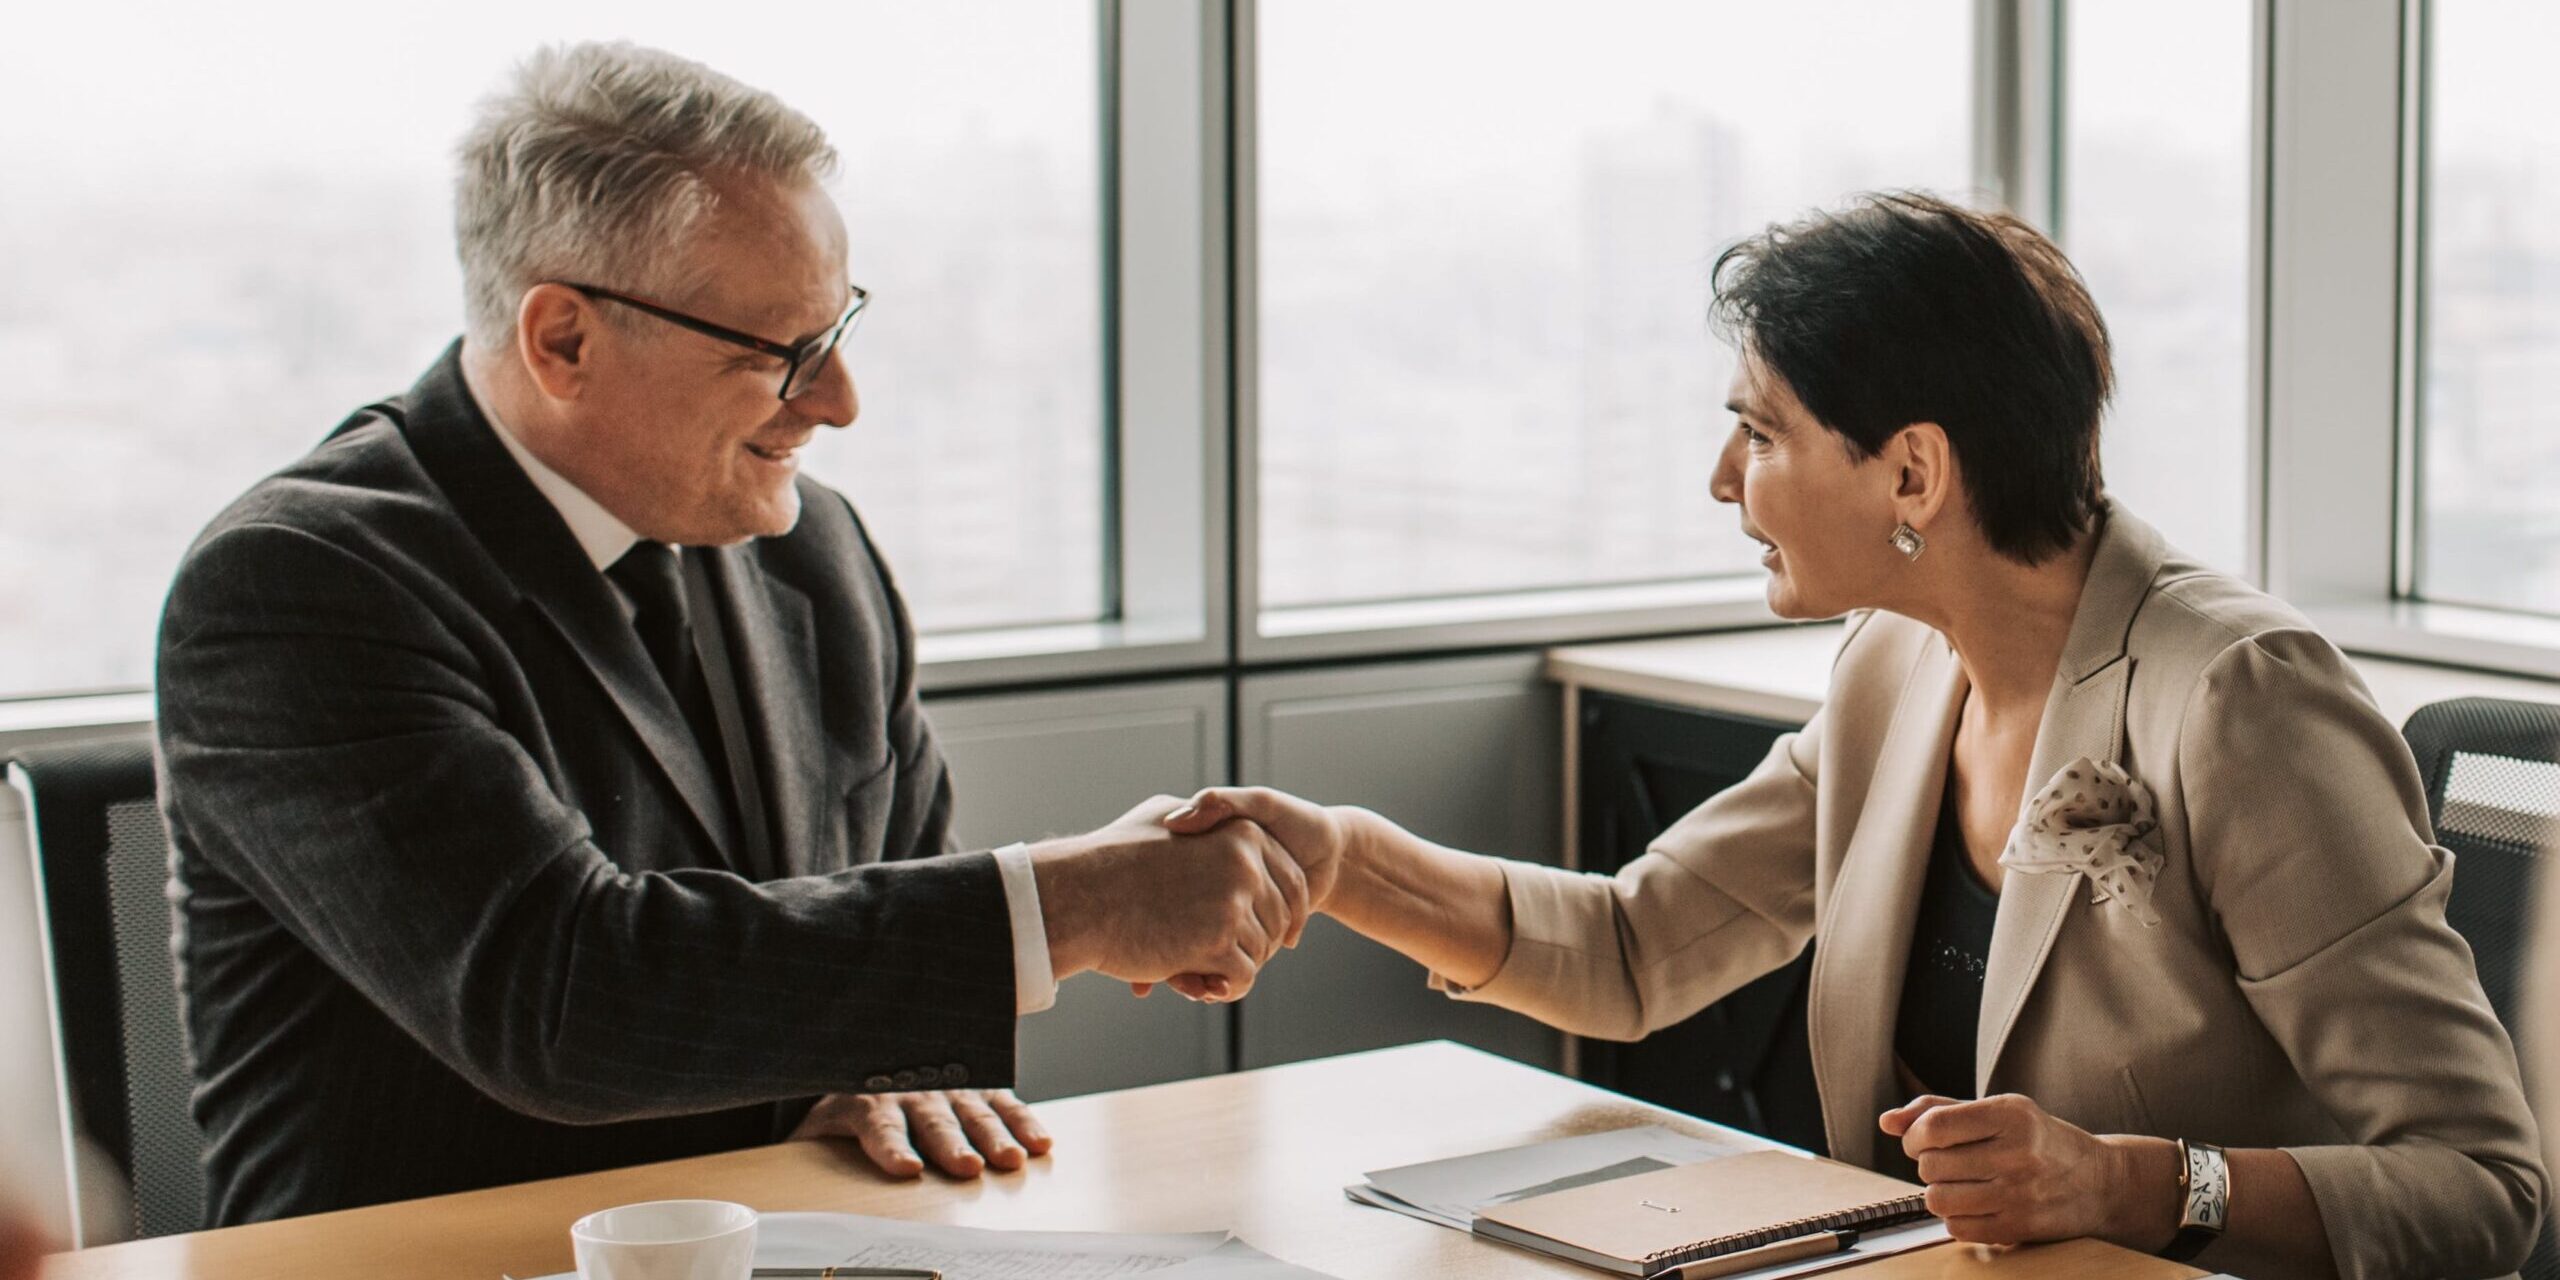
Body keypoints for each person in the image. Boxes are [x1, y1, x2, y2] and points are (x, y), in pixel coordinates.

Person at [1166, 193, 2548, 1278]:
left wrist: (2129, 1181)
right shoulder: (1898, 667)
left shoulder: (2244, 702)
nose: (1723, 480)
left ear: (1913, 471)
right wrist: (1339, 857)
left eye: (1759, 434)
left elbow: (2482, 1192)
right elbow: (1636, 949)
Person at [155, 42, 1306, 1228]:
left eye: (839, 326)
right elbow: (561, 998)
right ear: (563, 340)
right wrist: (1070, 904)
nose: (840, 399)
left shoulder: (813, 548)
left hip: (777, 1234)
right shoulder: (298, 585)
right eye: (780, 352)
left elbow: (881, 898)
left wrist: (889, 1067)